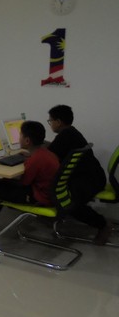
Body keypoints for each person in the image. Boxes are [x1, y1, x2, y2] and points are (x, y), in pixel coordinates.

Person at [0, 121, 60, 230]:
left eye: (20, 135)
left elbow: (24, 183)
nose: (19, 138)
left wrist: (4, 179)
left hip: (40, 198)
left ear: (27, 141)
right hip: (51, 195)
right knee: (1, 184)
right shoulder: (46, 153)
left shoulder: (35, 160)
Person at [46, 104, 111, 245]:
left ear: (58, 122)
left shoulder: (65, 135)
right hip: (94, 177)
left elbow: (47, 156)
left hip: (87, 182)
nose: (50, 124)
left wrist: (30, 152)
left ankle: (103, 225)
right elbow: (52, 149)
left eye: (50, 121)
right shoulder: (72, 132)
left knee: (69, 204)